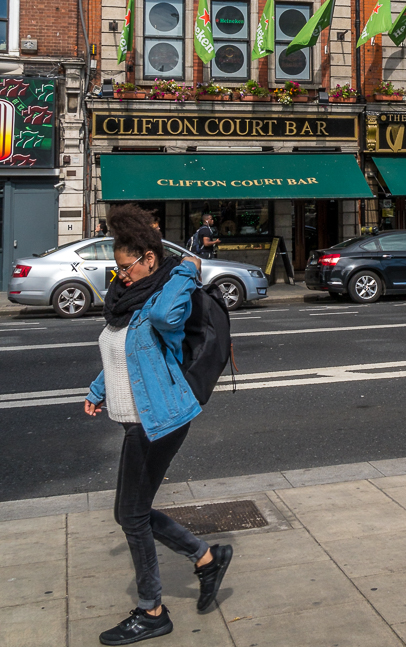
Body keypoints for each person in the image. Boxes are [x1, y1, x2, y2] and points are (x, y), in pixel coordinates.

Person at [84, 204, 233, 645]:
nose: (119, 277)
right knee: (131, 511)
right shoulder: (130, 297)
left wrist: (187, 269)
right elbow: (124, 354)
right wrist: (98, 389)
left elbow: (168, 321)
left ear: (149, 259)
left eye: (125, 267)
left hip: (160, 418)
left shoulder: (166, 292)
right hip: (138, 418)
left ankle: (152, 610)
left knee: (130, 515)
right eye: (116, 269)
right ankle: (206, 558)